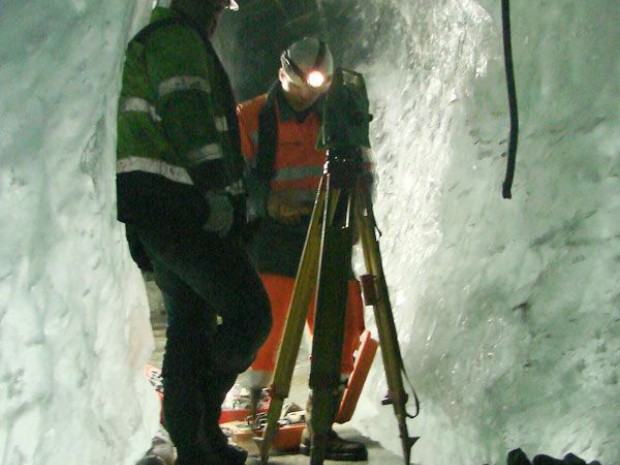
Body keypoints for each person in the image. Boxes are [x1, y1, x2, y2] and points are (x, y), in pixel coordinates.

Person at [115, 1, 272, 464]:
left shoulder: (165, 36)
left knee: (190, 324)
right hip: (177, 204)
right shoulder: (176, 38)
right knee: (250, 315)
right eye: (218, 5)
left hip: (158, 207)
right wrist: (215, 189)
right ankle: (198, 414)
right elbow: (186, 111)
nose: (220, 14)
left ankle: (199, 446)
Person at [236, 37, 371, 461]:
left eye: (320, 85)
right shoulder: (253, 116)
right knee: (267, 317)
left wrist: (359, 209)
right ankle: (256, 403)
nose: (312, 94)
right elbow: (233, 174)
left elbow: (364, 167)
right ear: (283, 72)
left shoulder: (338, 114)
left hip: (329, 228)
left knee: (343, 314)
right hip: (275, 235)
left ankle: (321, 420)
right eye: (305, 83)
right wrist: (267, 202)